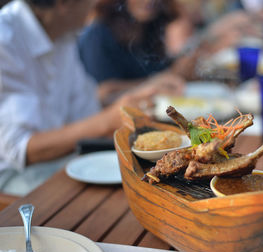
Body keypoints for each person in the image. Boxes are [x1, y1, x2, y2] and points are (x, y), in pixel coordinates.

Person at [0, 0, 183, 196]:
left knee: (151, 180)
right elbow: (21, 151)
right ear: (63, 3)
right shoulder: (5, 39)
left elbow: (89, 106)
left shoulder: (64, 34)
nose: (96, 3)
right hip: (14, 177)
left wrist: (137, 94)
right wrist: (108, 120)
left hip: (66, 160)